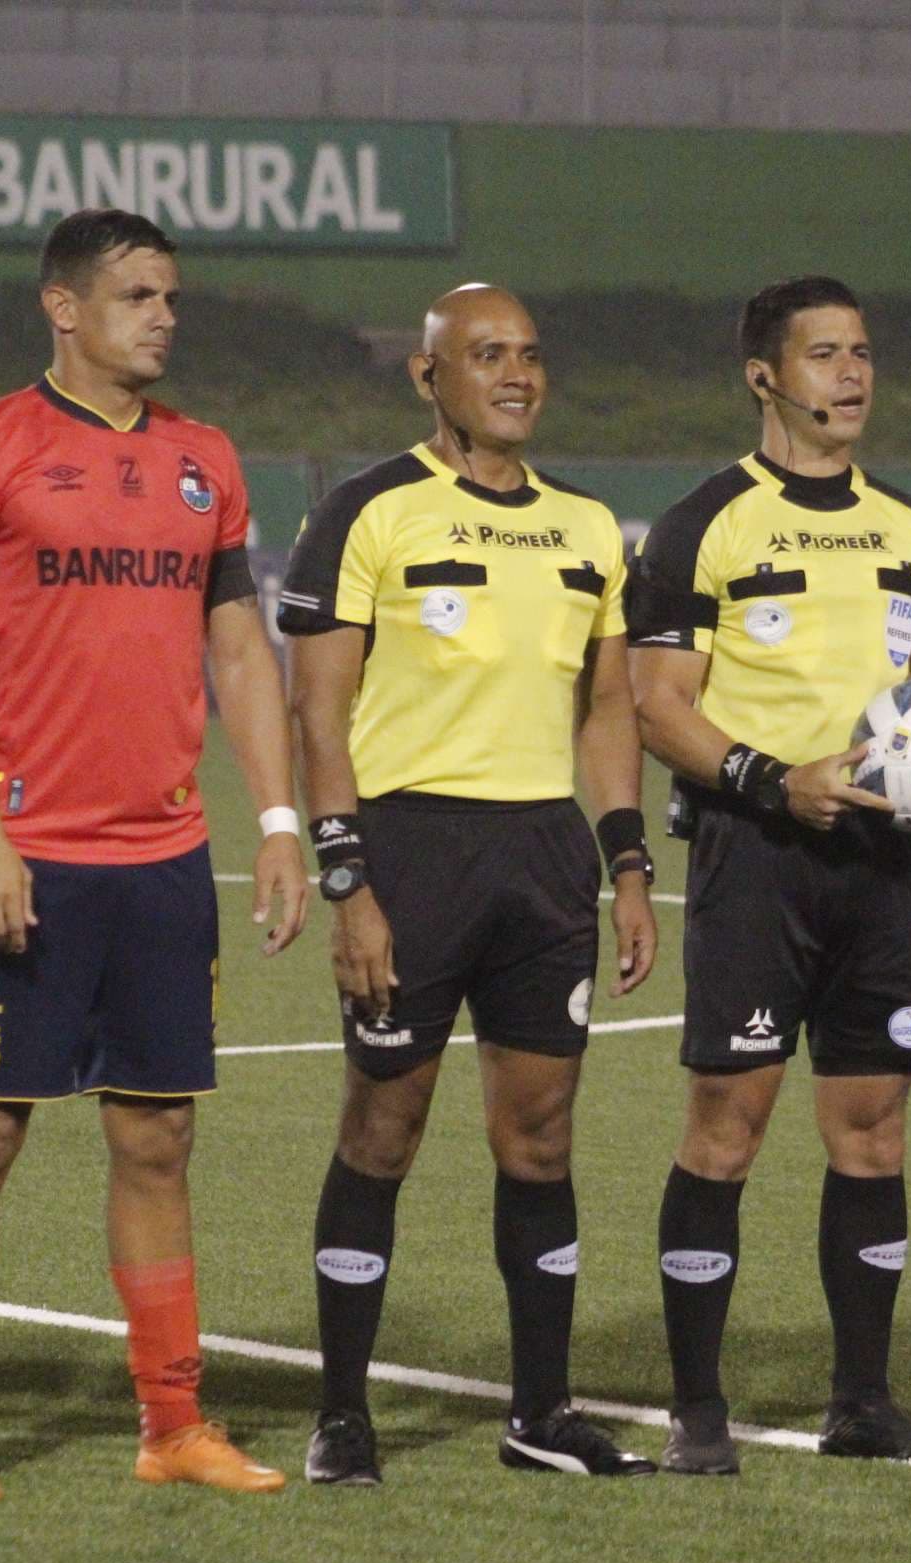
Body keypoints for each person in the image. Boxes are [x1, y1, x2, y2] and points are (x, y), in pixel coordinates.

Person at [0, 208, 309, 1504]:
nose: (164, 317)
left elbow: (239, 651)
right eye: (138, 296)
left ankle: (172, 1424)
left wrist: (280, 822)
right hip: (25, 852)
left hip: (163, 859)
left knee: (157, 1142)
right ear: (64, 310)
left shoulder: (205, 461)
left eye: (171, 296)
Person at [278, 285, 658, 1485]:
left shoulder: (591, 528)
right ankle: (344, 1411)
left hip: (544, 861)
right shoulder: (369, 512)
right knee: (383, 1128)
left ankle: (538, 1414)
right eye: (486, 355)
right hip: (409, 853)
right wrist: (350, 885)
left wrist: (629, 866)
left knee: (540, 1140)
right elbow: (318, 714)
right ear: (427, 376)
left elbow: (606, 710)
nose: (516, 375)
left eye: (531, 356)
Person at [629, 276, 911, 1476]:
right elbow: (657, 709)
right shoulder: (702, 526)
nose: (852, 375)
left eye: (864, 352)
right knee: (729, 1124)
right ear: (765, 376)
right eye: (825, 354)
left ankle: (864, 1405)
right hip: (759, 851)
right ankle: (697, 1411)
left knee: (873, 1132)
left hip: (880, 865)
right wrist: (780, 782)